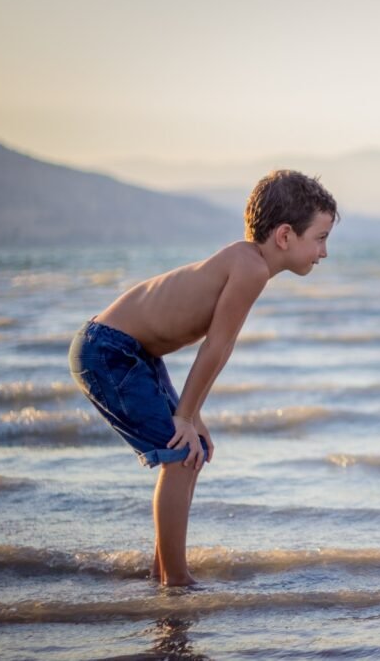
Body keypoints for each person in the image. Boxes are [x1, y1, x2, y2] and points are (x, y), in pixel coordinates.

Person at [68, 169, 337, 585]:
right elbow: (217, 346)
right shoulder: (250, 268)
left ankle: (163, 570)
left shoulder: (247, 261)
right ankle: (175, 581)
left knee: (193, 451)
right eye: (320, 238)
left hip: (133, 353)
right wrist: (184, 417)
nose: (323, 252)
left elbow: (213, 348)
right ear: (285, 236)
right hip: (108, 351)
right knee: (178, 455)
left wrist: (194, 417)